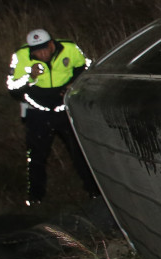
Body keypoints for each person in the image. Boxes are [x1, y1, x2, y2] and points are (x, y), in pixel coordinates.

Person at [6, 29, 99, 205]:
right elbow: (12, 87)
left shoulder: (69, 48)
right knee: (36, 156)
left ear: (51, 44)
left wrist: (74, 85)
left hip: (65, 109)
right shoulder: (20, 56)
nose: (41, 54)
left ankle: (94, 192)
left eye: (44, 49)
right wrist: (29, 77)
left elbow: (87, 67)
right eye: (36, 51)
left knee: (79, 152)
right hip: (37, 112)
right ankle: (35, 198)